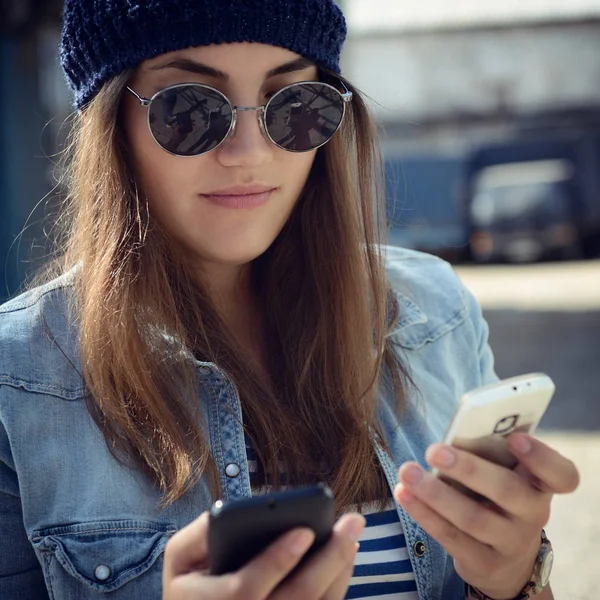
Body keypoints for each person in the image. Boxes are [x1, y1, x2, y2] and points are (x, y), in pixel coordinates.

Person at [0, 1, 579, 599]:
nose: (250, 153)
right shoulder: (16, 379)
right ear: (111, 122)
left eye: (296, 107)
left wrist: (510, 580)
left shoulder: (436, 312)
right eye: (190, 109)